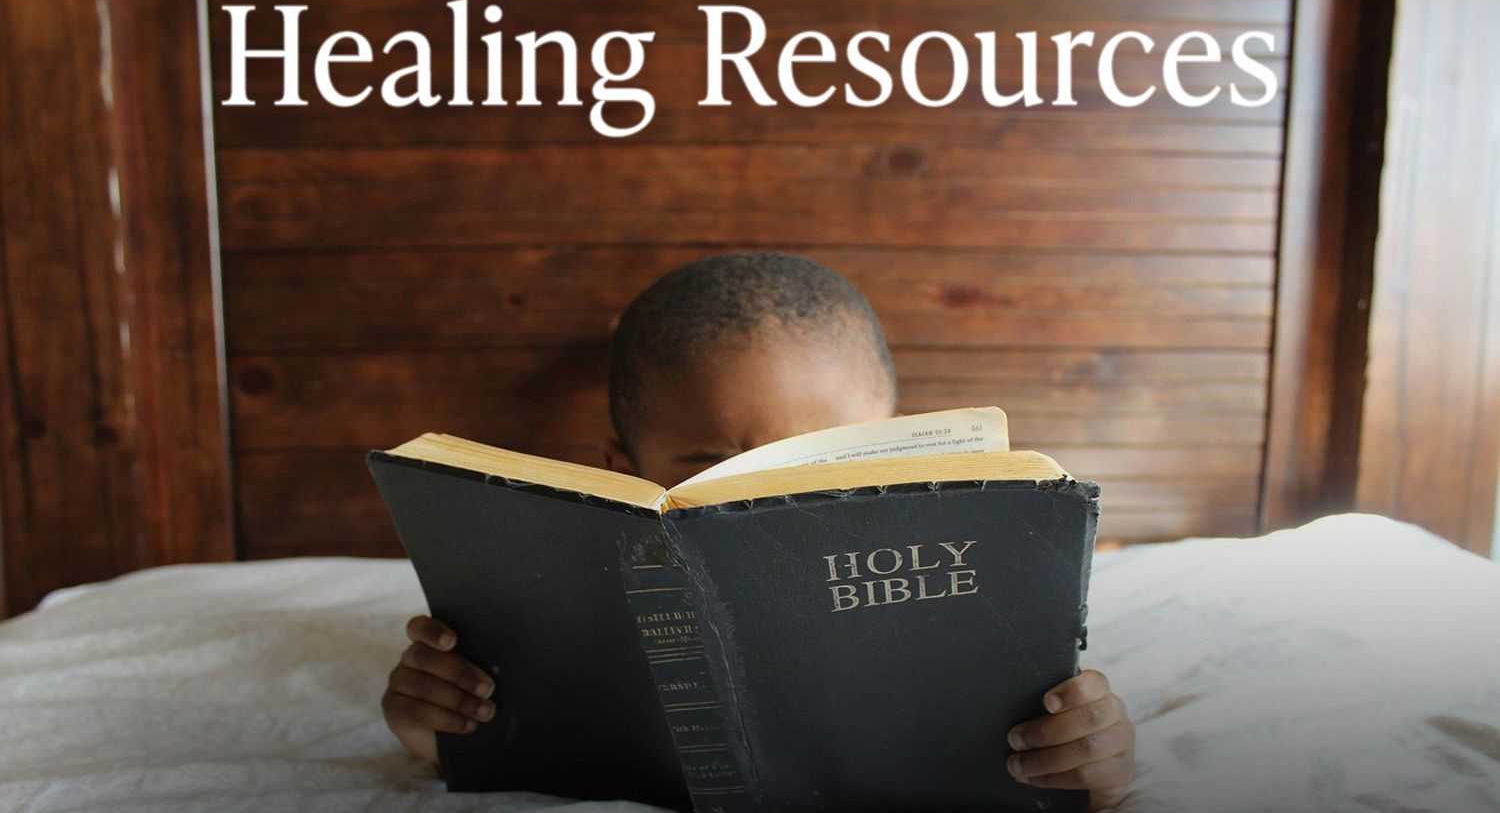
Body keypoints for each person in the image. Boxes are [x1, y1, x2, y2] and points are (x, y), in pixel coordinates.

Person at [381, 251, 1136, 810]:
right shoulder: (560, 596)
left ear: (912, 443)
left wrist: (1089, 764)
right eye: (710, 466)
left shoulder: (975, 574)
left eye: (826, 457)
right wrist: (442, 726)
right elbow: (525, 741)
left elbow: (1062, 754)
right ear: (624, 466)